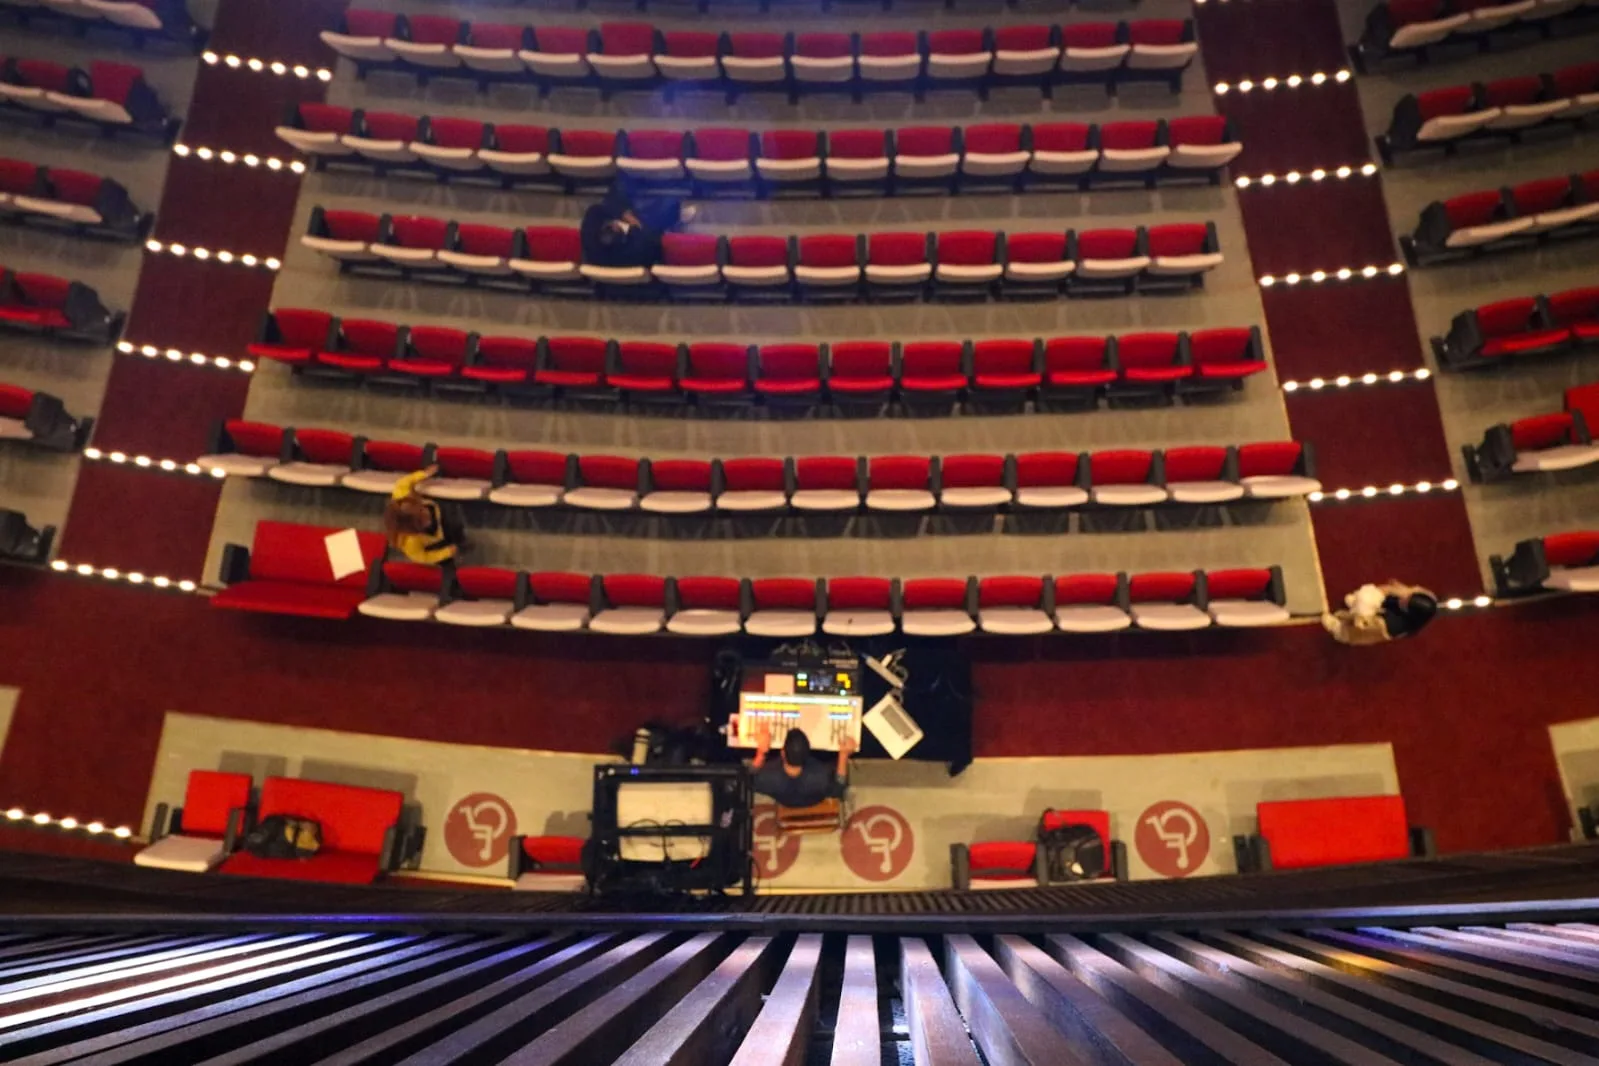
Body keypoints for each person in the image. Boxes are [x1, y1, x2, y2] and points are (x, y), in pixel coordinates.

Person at [580, 178, 696, 270]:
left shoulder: (592, 245)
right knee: (670, 203)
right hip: (641, 230)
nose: (614, 226)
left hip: (621, 215)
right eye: (615, 229)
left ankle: (646, 180)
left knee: (621, 182)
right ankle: (675, 218)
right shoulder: (631, 255)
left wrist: (624, 214)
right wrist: (636, 227)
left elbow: (596, 209)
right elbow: (652, 241)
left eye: (609, 226)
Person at [750, 723, 855, 810]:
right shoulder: (821, 776)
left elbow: (748, 781)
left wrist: (760, 753)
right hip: (813, 799)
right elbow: (838, 789)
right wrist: (843, 755)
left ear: (782, 753)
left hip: (785, 800)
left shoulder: (768, 778)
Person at [383, 466, 465, 566]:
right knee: (455, 540)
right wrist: (446, 553)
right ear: (413, 530)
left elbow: (403, 482)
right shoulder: (410, 542)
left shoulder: (403, 496)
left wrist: (425, 474)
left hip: (438, 511)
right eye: (422, 522)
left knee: (453, 519)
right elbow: (423, 557)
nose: (428, 518)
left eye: (422, 510)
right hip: (437, 536)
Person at [1322, 580, 1438, 646]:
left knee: (1348, 630)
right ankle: (1357, 606)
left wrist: (1361, 610)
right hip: (1384, 610)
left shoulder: (1390, 625)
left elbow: (1361, 626)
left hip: (1371, 627)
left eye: (1406, 602)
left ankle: (1337, 629)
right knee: (1362, 599)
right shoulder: (1420, 595)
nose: (1403, 598)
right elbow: (1385, 591)